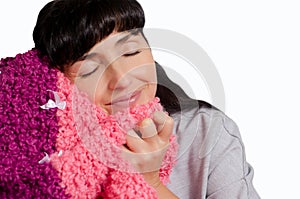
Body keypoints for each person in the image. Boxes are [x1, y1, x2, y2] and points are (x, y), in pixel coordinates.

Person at [0, 0, 260, 198]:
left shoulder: (206, 132)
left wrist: (150, 181)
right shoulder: (48, 160)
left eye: (131, 52)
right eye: (90, 70)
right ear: (62, 83)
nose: (122, 79)